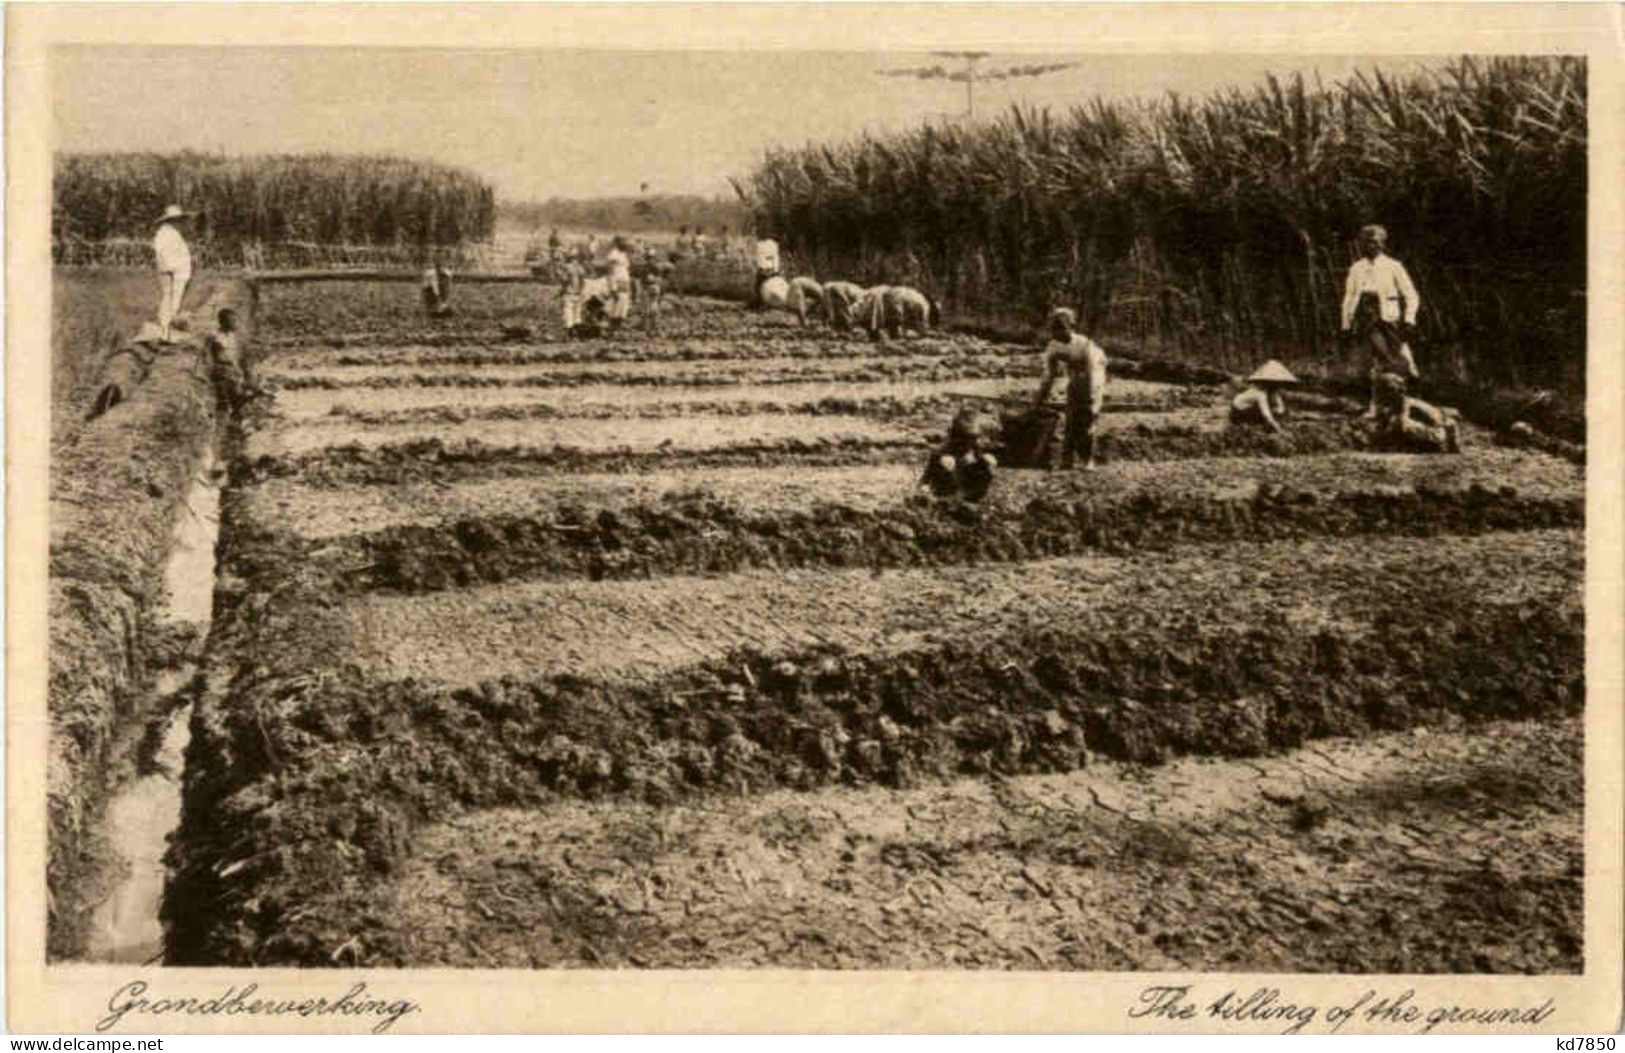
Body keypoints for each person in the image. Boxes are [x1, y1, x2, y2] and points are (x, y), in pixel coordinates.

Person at [1341, 224, 1422, 417]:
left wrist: (1409, 319)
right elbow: (1350, 297)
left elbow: (1411, 295)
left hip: (1389, 316)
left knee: (1399, 359)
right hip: (1366, 317)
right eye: (1366, 242)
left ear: (1382, 244)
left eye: (1375, 242)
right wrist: (1345, 324)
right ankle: (1375, 406)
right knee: (1376, 362)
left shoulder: (1393, 266)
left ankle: (1405, 400)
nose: (1370, 246)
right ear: (1361, 244)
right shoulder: (1357, 268)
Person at [1032, 307, 1109, 470]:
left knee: (1087, 416)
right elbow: (1048, 376)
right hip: (1075, 374)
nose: (1057, 333)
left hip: (1094, 372)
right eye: (1054, 329)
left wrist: (1090, 398)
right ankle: (1067, 459)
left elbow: (1092, 377)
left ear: (1071, 328)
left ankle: (1088, 459)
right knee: (1071, 416)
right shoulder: (1053, 346)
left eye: (1062, 328)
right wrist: (1038, 400)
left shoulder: (1084, 345)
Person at [920, 407, 997, 503]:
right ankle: (948, 498)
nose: (971, 441)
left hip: (966, 485)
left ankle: (970, 496)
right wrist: (925, 486)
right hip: (947, 488)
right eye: (967, 437)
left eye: (974, 437)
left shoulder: (973, 447)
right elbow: (926, 477)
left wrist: (984, 459)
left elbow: (978, 460)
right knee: (947, 462)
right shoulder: (944, 449)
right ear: (957, 436)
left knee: (987, 462)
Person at [1370, 372, 1462, 453]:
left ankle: (1433, 446)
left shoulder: (1405, 402)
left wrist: (1381, 435)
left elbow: (1402, 425)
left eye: (1382, 390)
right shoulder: (1397, 403)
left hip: (1438, 434)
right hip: (1433, 431)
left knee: (1397, 423)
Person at [152, 205, 194, 342]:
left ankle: (166, 332)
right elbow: (165, 254)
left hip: (171, 270)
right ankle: (166, 332)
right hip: (174, 271)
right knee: (172, 300)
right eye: (177, 220)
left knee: (168, 299)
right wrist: (174, 268)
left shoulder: (164, 233)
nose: (180, 223)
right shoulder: (168, 234)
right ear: (171, 220)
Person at [1229, 360, 1297, 433]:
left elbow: (1280, 406)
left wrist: (1280, 412)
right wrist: (1278, 429)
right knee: (1265, 420)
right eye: (1275, 383)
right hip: (1239, 412)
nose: (1278, 385)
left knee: (1276, 411)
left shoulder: (1273, 391)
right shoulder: (1259, 393)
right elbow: (1266, 414)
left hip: (1251, 409)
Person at [203, 307, 251, 410]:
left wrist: (241, 372)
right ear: (224, 322)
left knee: (239, 399)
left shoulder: (232, 336)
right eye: (233, 321)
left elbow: (235, 356)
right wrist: (208, 370)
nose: (236, 323)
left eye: (236, 321)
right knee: (223, 401)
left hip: (233, 370)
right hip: (221, 371)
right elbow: (205, 353)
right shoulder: (214, 336)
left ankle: (235, 420)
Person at [604, 236, 633, 331]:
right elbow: (611, 271)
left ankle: (619, 327)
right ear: (618, 244)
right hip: (617, 281)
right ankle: (612, 328)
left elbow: (626, 268)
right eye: (623, 243)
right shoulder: (613, 254)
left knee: (623, 305)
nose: (625, 245)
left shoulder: (623, 254)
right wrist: (613, 286)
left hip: (625, 281)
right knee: (616, 305)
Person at [751, 236, 781, 308]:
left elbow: (775, 259)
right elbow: (760, 259)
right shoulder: (761, 245)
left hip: (770, 271)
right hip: (766, 270)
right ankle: (760, 301)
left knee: (764, 285)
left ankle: (764, 301)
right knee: (759, 286)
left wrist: (774, 270)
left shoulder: (772, 245)